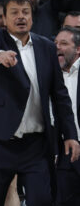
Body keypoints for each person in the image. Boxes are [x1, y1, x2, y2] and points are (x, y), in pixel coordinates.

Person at [0, 0, 80, 206]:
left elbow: (59, 95)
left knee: (42, 199)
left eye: (26, 12)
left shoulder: (47, 47)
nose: (21, 17)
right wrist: (0, 56)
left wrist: (70, 134)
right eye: (14, 12)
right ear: (4, 19)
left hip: (36, 145)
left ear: (32, 18)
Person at [54, 26, 80, 205]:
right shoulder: (48, 75)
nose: (57, 47)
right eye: (55, 43)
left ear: (78, 48)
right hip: (63, 152)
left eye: (64, 43)